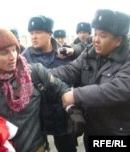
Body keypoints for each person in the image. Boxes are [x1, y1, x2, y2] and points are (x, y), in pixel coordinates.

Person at [0, 28, 70, 152]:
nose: (12, 56)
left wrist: (73, 110)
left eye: (14, 50)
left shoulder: (34, 72)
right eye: (4, 52)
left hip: (36, 147)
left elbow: (62, 88)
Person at [51, 9, 130, 151]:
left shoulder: (127, 59)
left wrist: (76, 95)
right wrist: (40, 73)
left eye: (103, 35)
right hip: (92, 130)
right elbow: (69, 70)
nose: (96, 40)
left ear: (118, 40)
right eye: (95, 34)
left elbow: (119, 88)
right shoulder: (90, 52)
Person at [22, 15, 77, 152]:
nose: (34, 36)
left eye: (38, 32)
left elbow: (75, 77)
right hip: (37, 117)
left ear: (49, 34)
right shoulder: (24, 58)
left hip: (62, 114)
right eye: (32, 33)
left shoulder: (64, 53)